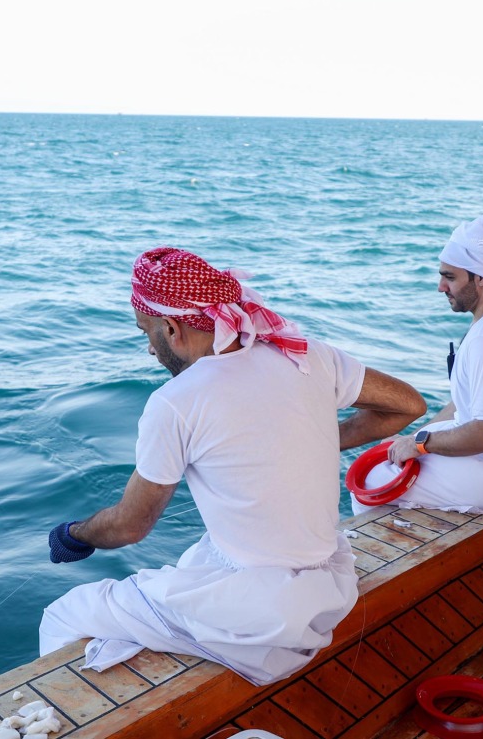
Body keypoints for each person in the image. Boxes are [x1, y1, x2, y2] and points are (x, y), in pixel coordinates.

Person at [39, 247, 425, 685]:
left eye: (146, 332)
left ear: (171, 328)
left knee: (64, 615)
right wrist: (302, 439)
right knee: (194, 561)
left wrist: (75, 535)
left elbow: (130, 527)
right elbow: (408, 406)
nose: (148, 348)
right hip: (330, 588)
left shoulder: (175, 402)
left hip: (264, 617)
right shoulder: (309, 355)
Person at [352, 214, 483, 527]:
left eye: (450, 277)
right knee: (393, 452)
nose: (440, 287)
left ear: (481, 277)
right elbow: (467, 408)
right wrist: (415, 439)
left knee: (372, 482)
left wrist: (421, 444)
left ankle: (411, 563)